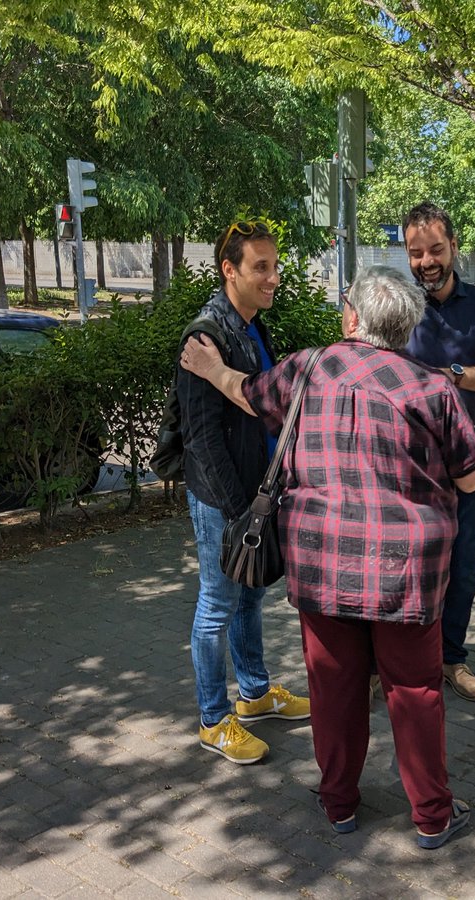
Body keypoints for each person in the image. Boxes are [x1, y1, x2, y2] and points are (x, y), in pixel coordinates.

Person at [181, 265, 475, 849]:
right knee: (415, 691)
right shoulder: (432, 389)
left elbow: (247, 395)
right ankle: (432, 815)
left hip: (322, 565)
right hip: (408, 575)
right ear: (403, 329)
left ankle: (339, 804)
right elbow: (473, 477)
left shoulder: (305, 369)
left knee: (334, 686)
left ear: (352, 318)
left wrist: (211, 367)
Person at [176, 220, 309, 766]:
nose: (273, 277)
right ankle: (213, 718)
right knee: (216, 605)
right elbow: (201, 436)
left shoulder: (249, 326)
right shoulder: (205, 335)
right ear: (229, 270)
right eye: (262, 268)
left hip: (256, 492)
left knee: (251, 594)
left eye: (275, 267)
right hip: (222, 498)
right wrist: (237, 510)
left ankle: (254, 695)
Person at [402, 202, 475, 703]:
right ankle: (396, 660)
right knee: (403, 561)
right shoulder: (399, 303)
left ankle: (452, 658)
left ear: (453, 248)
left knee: (462, 564)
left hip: (466, 459)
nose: (426, 261)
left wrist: (454, 377)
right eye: (415, 252)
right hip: (403, 460)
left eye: (435, 249)